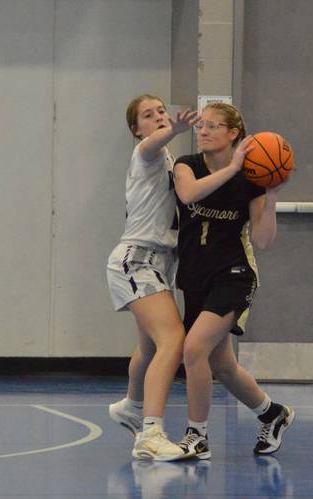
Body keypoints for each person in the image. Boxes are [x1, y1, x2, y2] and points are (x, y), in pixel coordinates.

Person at [172, 103, 295, 459]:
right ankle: (273, 414)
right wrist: (235, 169)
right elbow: (189, 195)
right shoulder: (187, 166)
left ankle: (197, 436)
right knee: (221, 364)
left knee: (193, 349)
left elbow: (263, 241)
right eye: (202, 125)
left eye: (213, 126)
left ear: (233, 134)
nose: (203, 130)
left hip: (234, 275)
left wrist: (269, 195)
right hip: (195, 275)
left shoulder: (252, 180)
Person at [106, 94, 199, 461]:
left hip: (160, 264)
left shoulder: (170, 161)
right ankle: (151, 434)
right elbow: (153, 144)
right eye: (149, 115)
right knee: (173, 340)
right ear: (136, 129)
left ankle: (132, 406)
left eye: (161, 111)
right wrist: (174, 128)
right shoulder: (146, 155)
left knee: (149, 348)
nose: (158, 117)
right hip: (136, 261)